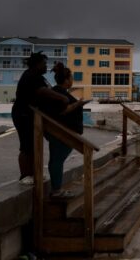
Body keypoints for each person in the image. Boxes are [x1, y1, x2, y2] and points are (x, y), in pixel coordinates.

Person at [11, 52, 69, 185]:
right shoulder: (30, 76)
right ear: (37, 64)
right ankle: (25, 175)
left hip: (33, 115)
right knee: (26, 145)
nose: (46, 66)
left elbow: (48, 89)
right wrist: (62, 98)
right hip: (23, 114)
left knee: (33, 144)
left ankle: (34, 172)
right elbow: (42, 91)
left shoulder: (38, 77)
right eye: (44, 64)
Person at [43, 63, 90, 198]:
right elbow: (61, 111)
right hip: (61, 133)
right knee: (57, 160)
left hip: (64, 132)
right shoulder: (58, 93)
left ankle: (56, 189)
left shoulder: (59, 92)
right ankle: (56, 190)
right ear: (66, 79)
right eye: (71, 78)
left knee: (57, 160)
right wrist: (78, 104)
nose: (72, 80)